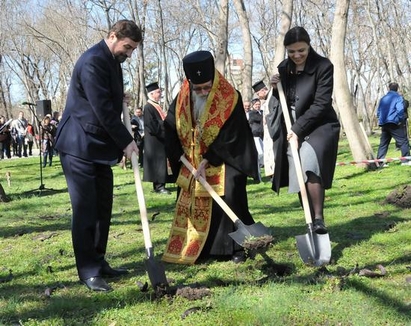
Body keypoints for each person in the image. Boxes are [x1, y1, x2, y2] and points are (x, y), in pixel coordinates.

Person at [54, 20, 142, 292]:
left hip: (98, 146)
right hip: (78, 144)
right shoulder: (93, 61)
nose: (129, 54)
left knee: (103, 206)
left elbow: (108, 99)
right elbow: (102, 110)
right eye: (127, 47)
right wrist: (128, 142)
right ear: (112, 36)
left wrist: (121, 97)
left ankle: (99, 261)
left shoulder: (112, 62)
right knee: (85, 209)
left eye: (133, 50)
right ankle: (88, 270)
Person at [162, 50, 259, 265]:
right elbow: (169, 127)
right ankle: (201, 249)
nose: (203, 92)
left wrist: (208, 159)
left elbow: (234, 134)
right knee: (194, 202)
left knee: (231, 195)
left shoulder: (230, 96)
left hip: (226, 158)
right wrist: (178, 154)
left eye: (207, 87)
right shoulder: (181, 98)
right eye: (198, 89)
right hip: (190, 160)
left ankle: (235, 248)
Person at [269, 26, 340, 234]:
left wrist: (298, 130)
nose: (297, 55)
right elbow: (281, 102)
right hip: (292, 126)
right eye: (291, 51)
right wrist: (275, 89)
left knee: (309, 161)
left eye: (301, 50)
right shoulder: (284, 68)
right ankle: (309, 220)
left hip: (320, 124)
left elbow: (321, 104)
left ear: (309, 46)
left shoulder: (323, 66)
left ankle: (318, 219)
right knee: (298, 170)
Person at [142, 82, 173, 194]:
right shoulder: (148, 107)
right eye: (158, 92)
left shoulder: (156, 106)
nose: (160, 94)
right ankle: (159, 186)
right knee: (157, 163)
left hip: (159, 140)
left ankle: (161, 184)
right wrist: (164, 130)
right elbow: (152, 125)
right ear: (152, 94)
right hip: (155, 141)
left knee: (161, 162)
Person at [376, 82, 410, 166]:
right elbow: (400, 110)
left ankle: (380, 162)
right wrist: (400, 120)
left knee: (383, 143)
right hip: (394, 123)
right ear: (397, 88)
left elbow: (378, 112)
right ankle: (405, 160)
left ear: (389, 88)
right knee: (403, 141)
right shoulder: (398, 97)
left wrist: (381, 119)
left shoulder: (383, 98)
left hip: (384, 123)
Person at [252, 80, 276, 179]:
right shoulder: (266, 101)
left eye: (259, 94)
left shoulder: (272, 97)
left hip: (272, 130)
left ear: (263, 90)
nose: (259, 96)